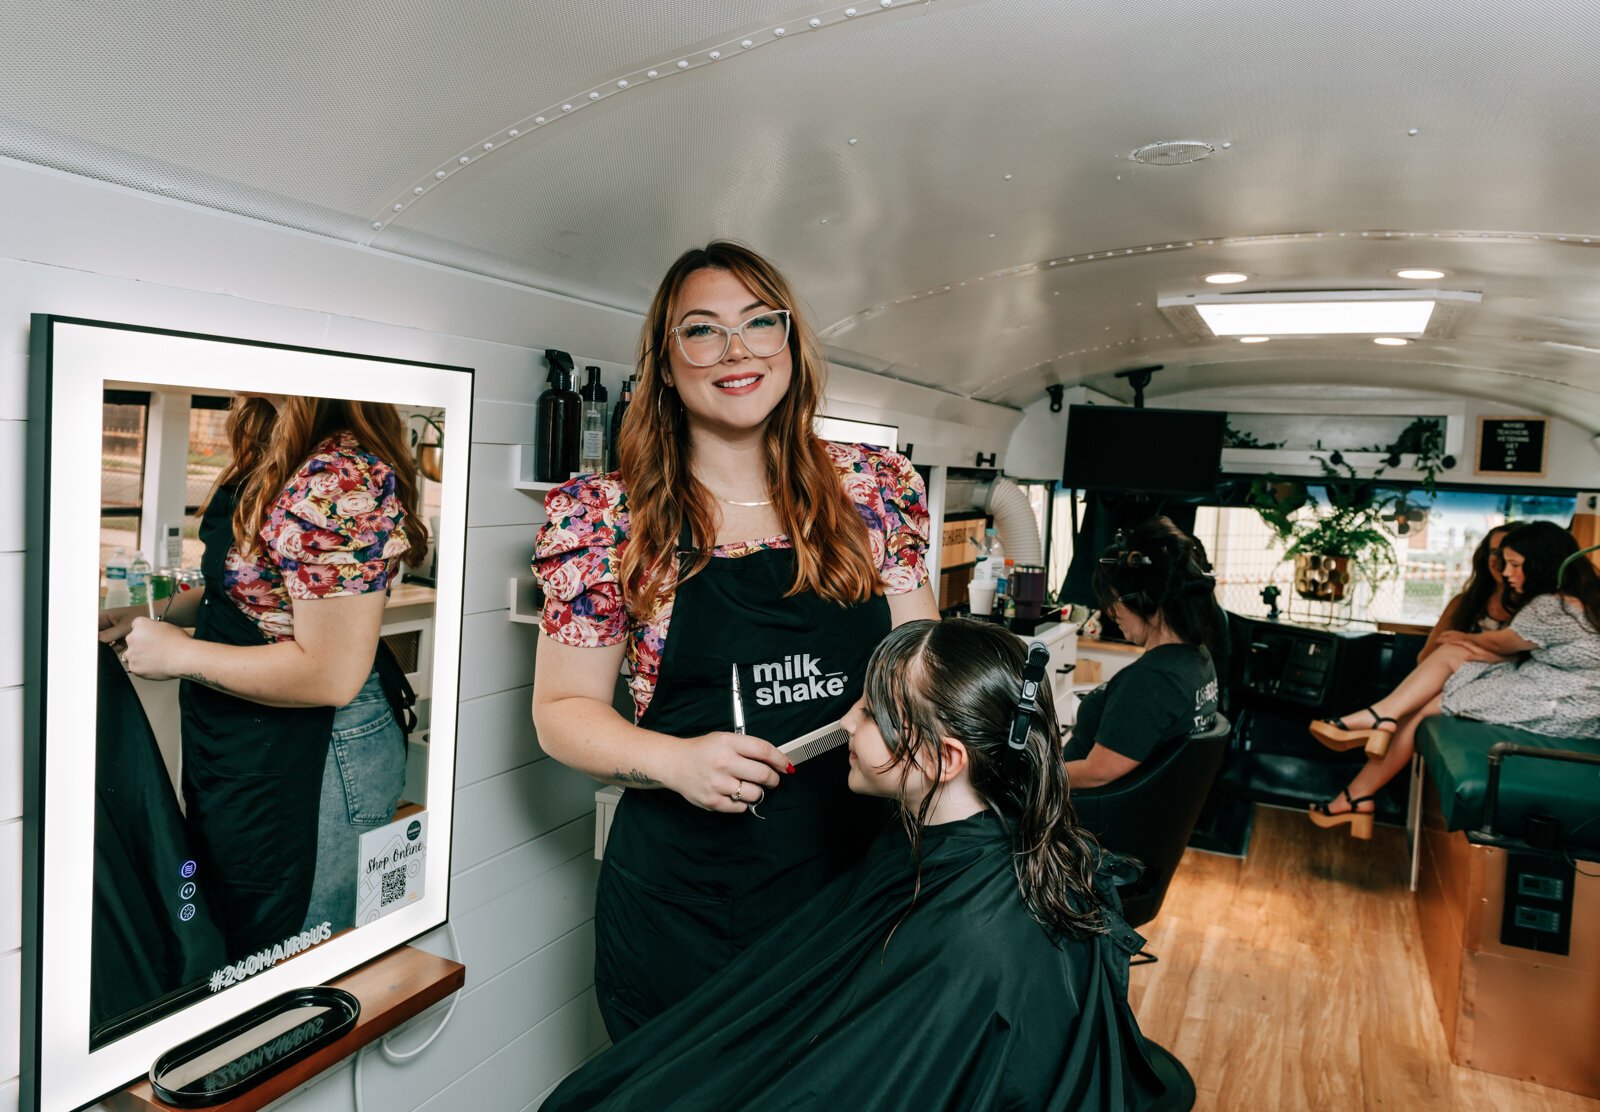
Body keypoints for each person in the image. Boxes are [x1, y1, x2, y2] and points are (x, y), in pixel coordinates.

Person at [531, 241, 939, 1040]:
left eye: (761, 323)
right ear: (665, 357)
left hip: (861, 875)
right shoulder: (605, 517)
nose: (737, 350)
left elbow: (919, 666)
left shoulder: (875, 490)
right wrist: (674, 760)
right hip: (686, 901)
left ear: (791, 344)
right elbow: (561, 711)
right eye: (703, 331)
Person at [540, 619, 1164, 1111]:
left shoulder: (975, 945)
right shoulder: (966, 853)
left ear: (944, 759)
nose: (843, 724)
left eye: (869, 714)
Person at [102, 394, 424, 954]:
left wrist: (180, 655)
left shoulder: (339, 476)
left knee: (298, 951)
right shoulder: (274, 444)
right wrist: (156, 613)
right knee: (240, 935)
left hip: (318, 756)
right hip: (243, 745)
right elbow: (256, 587)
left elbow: (329, 675)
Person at [1309, 521, 1600, 838]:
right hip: (1561, 693)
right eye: (1500, 560)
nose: (1503, 571)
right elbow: (1519, 652)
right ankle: (1363, 772)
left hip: (1561, 703)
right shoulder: (1574, 599)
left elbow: (1504, 645)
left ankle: (1375, 733)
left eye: (1514, 564)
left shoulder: (1550, 606)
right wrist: (1470, 646)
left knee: (1429, 698)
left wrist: (1466, 640)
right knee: (1441, 676)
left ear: (1541, 562)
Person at [1063, 517, 1221, 790]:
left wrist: (1031, 778)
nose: (1111, 613)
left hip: (1072, 811)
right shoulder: (1196, 659)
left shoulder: (1152, 682)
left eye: (1115, 601)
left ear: (1147, 600)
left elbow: (1096, 772)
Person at [1416, 523, 1515, 661]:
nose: (1499, 561)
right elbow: (1426, 657)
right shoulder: (1463, 604)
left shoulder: (1538, 610)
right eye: (1494, 552)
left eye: (1507, 554)